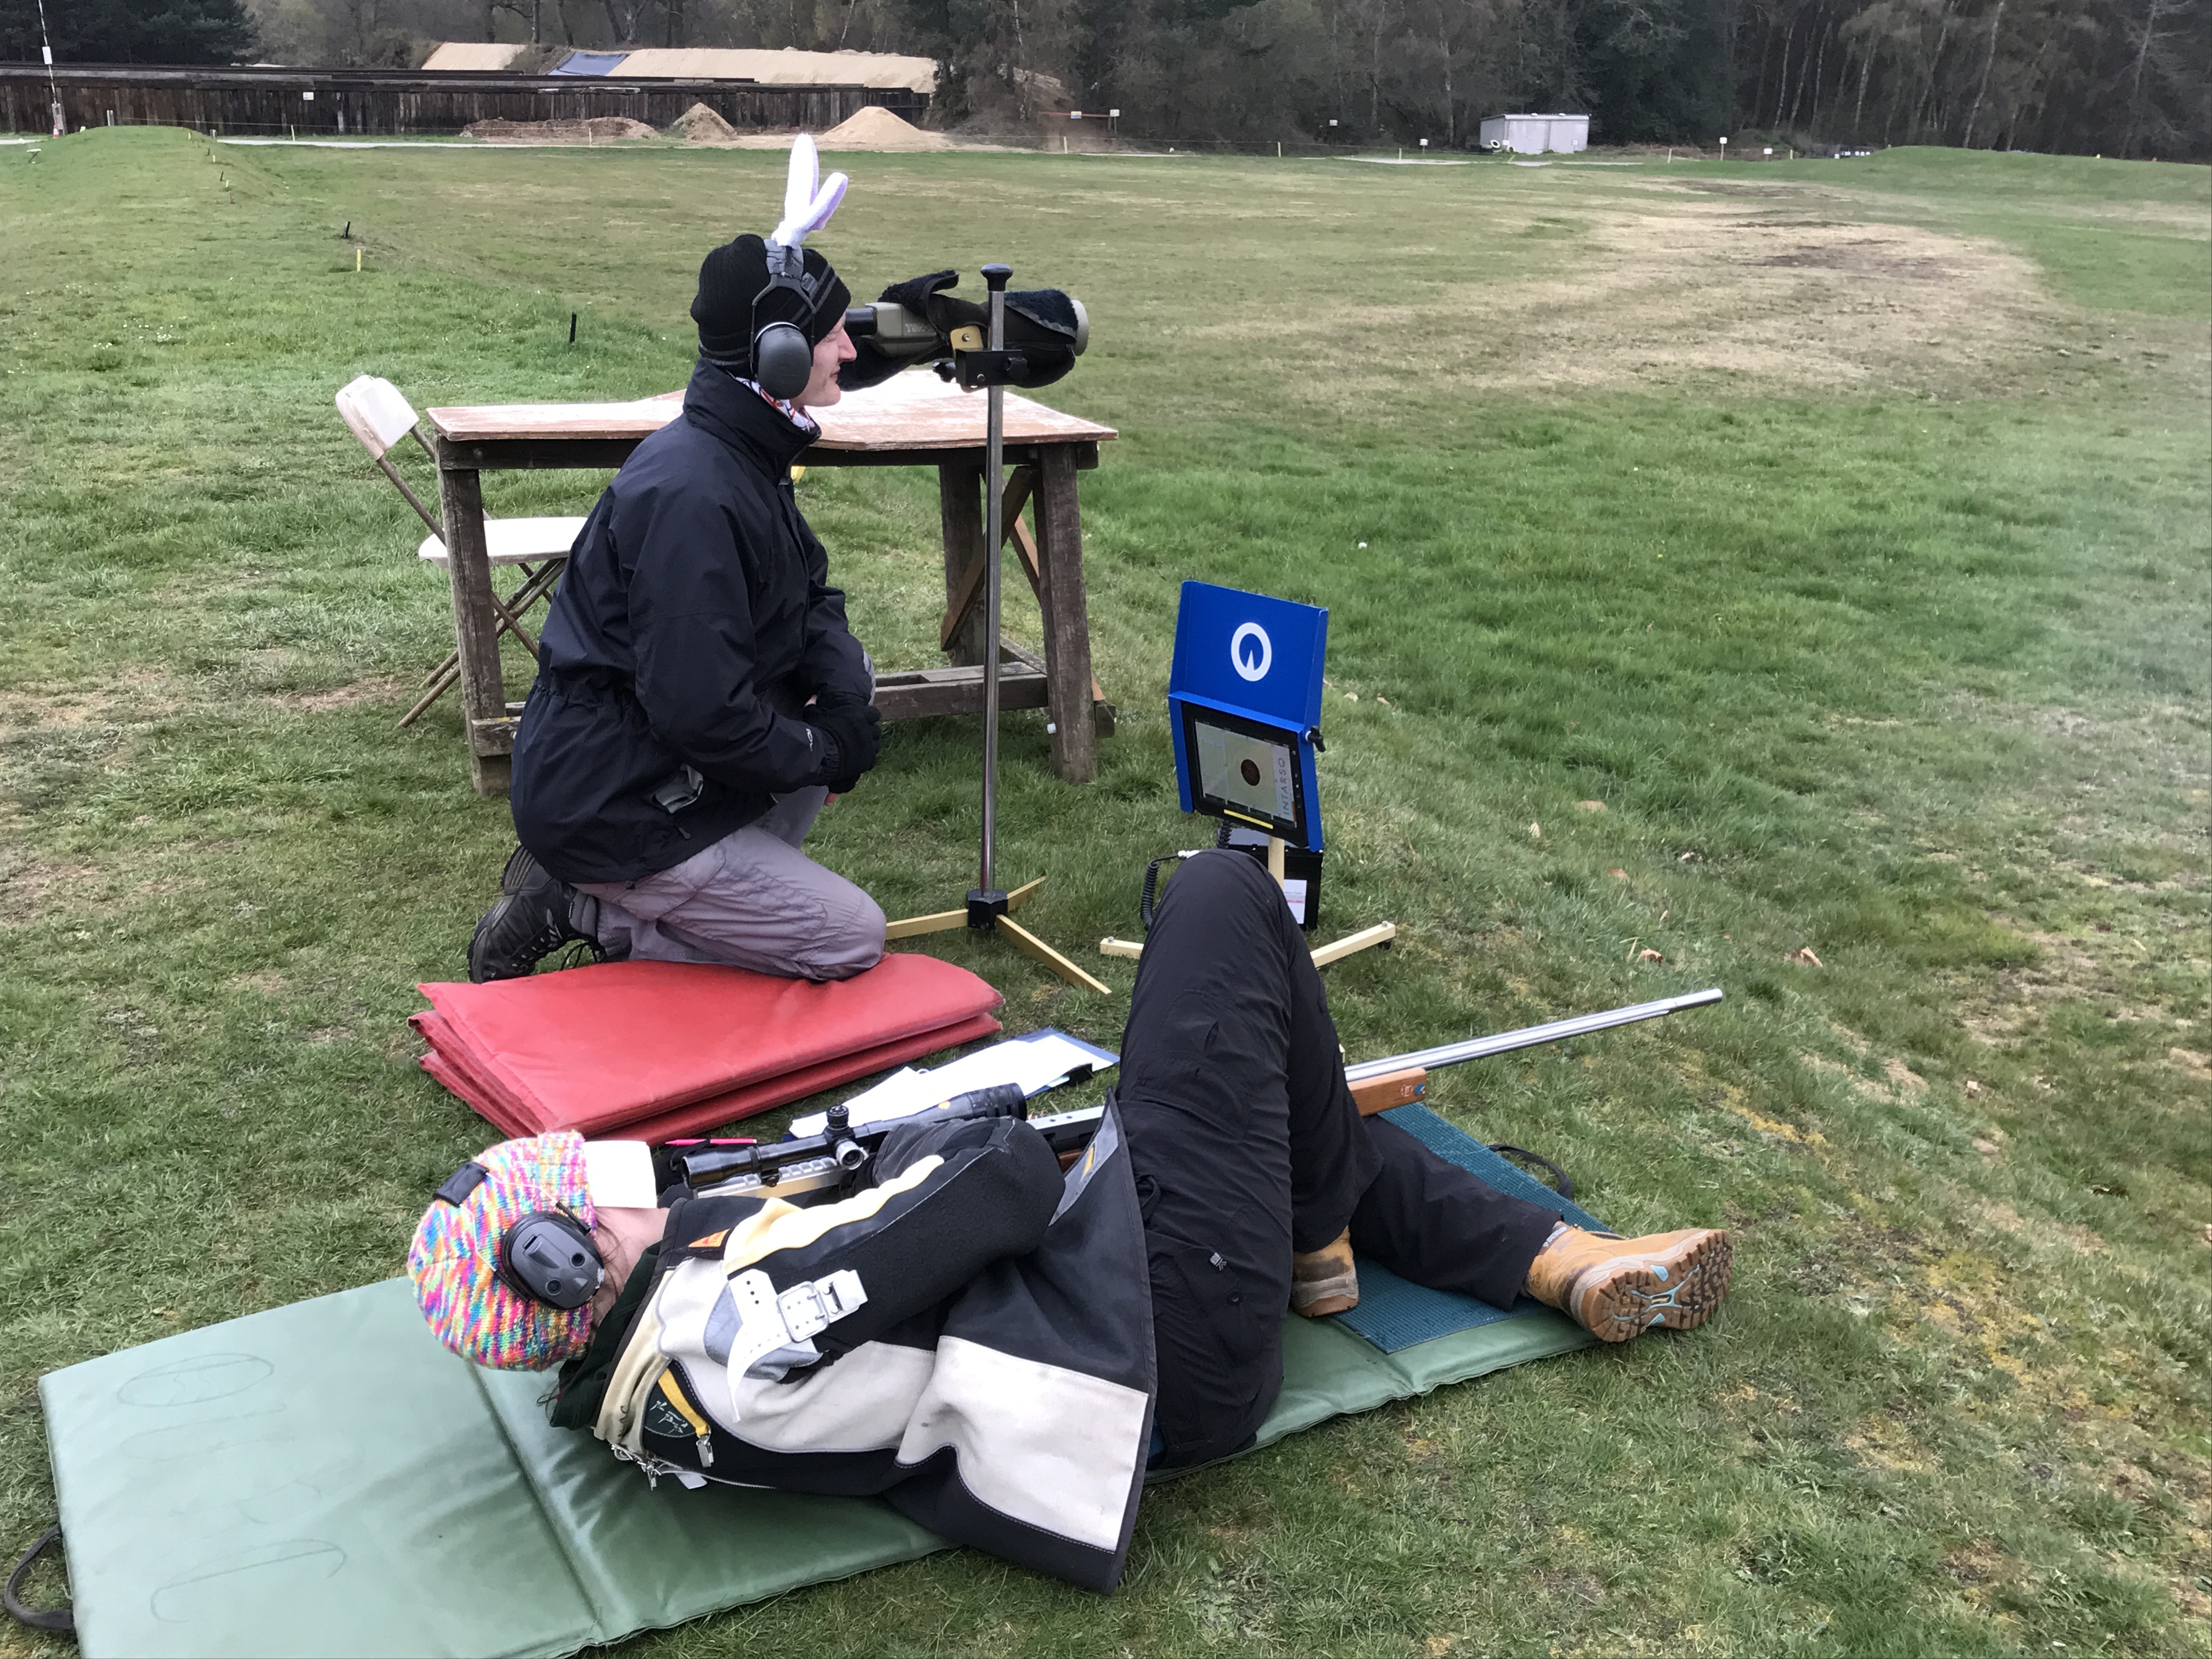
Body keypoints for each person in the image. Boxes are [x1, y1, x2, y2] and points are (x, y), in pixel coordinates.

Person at [410, 851, 1732, 1591]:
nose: (625, 1192)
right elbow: (997, 1188)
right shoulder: (739, 1316)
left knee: (1268, 1105)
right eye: (588, 1205)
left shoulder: (648, 1372)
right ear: (564, 1259)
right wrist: (918, 1147)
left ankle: (1554, 1263)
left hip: (1119, 1344)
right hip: (1153, 1345)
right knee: (1215, 898)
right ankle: (1326, 1232)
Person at [469, 210, 888, 984]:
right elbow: (700, 710)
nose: (851, 350)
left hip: (663, 769)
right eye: (832, 334)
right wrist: (826, 750)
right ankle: (587, 906)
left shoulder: (745, 450)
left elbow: (810, 592)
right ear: (781, 355)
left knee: (848, 680)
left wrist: (840, 698)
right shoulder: (694, 494)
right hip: (615, 800)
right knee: (849, 940)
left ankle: (687, 890)